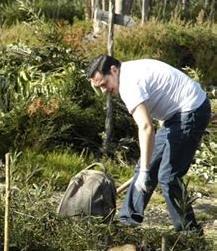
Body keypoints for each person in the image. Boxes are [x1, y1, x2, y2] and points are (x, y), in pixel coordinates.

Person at [87, 55, 211, 232]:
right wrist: (145, 169)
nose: (104, 90)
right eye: (98, 87)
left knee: (168, 176)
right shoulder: (128, 72)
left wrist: (146, 171)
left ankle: (189, 233)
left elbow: (146, 127)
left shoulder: (129, 84)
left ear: (114, 70)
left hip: (191, 110)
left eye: (104, 84)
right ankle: (127, 223)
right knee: (145, 167)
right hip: (174, 116)